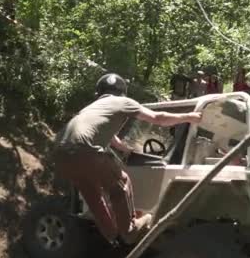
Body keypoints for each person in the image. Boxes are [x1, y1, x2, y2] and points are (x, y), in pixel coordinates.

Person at [53, 73, 202, 246]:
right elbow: (158, 118)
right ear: (122, 91)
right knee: (121, 183)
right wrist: (189, 117)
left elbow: (110, 138)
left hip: (60, 151)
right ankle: (130, 231)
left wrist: (126, 150)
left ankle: (111, 234)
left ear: (99, 92)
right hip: (86, 150)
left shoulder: (93, 107)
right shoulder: (123, 102)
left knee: (92, 193)